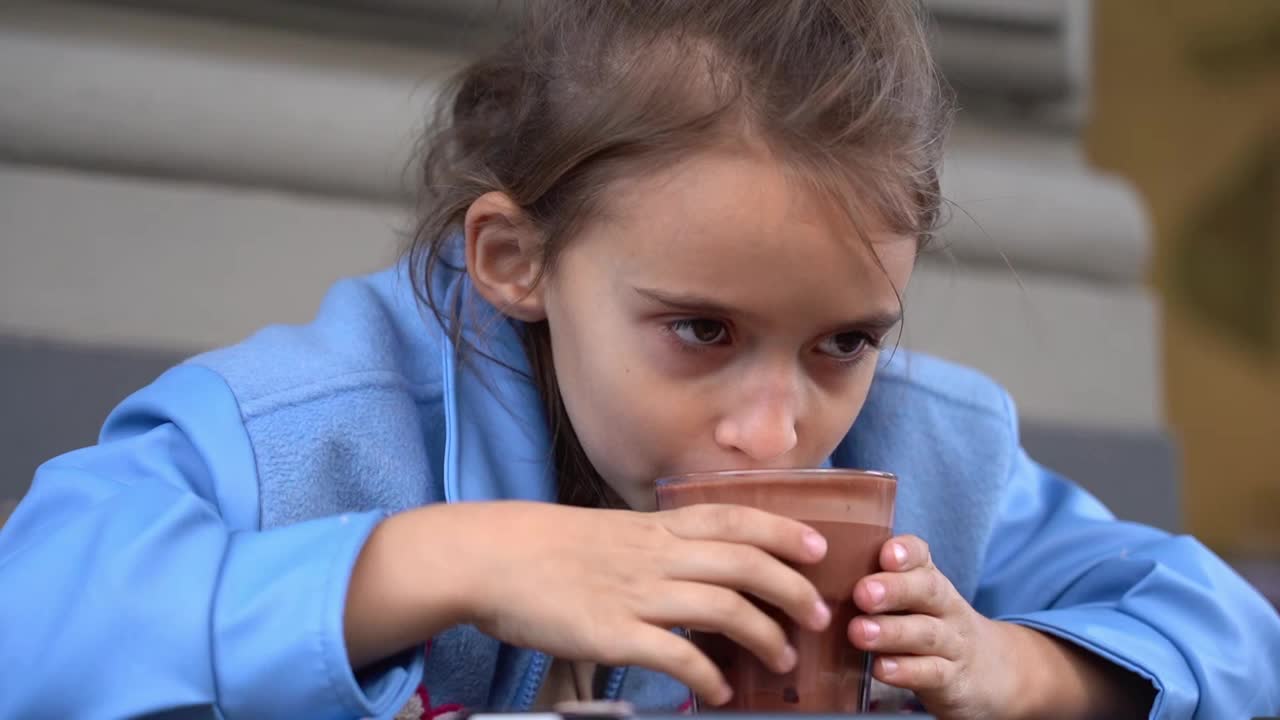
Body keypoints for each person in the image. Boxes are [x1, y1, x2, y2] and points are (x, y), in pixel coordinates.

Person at [1, 2, 1277, 718]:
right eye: (700, 332)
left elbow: (1233, 642)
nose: (775, 429)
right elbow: (34, 620)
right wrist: (451, 563)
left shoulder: (924, 458)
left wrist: (1020, 671)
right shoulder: (313, 428)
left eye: (842, 343)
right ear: (513, 259)